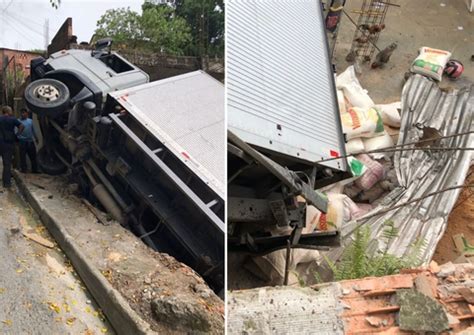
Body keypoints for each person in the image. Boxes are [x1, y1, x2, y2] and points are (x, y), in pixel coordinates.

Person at [0, 106, 24, 188]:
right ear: (8, 111)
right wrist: (17, 134)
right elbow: (21, 126)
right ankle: (6, 183)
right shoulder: (12, 119)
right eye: (11, 110)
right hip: (8, 143)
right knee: (7, 163)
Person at [17, 108, 39, 173]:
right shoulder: (18, 121)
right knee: (22, 157)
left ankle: (35, 170)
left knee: (33, 156)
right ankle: (24, 170)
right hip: (22, 141)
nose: (23, 114)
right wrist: (17, 139)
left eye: (24, 112)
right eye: (22, 113)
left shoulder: (30, 121)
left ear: (27, 113)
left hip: (30, 141)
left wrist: (36, 138)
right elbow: (16, 131)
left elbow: (33, 130)